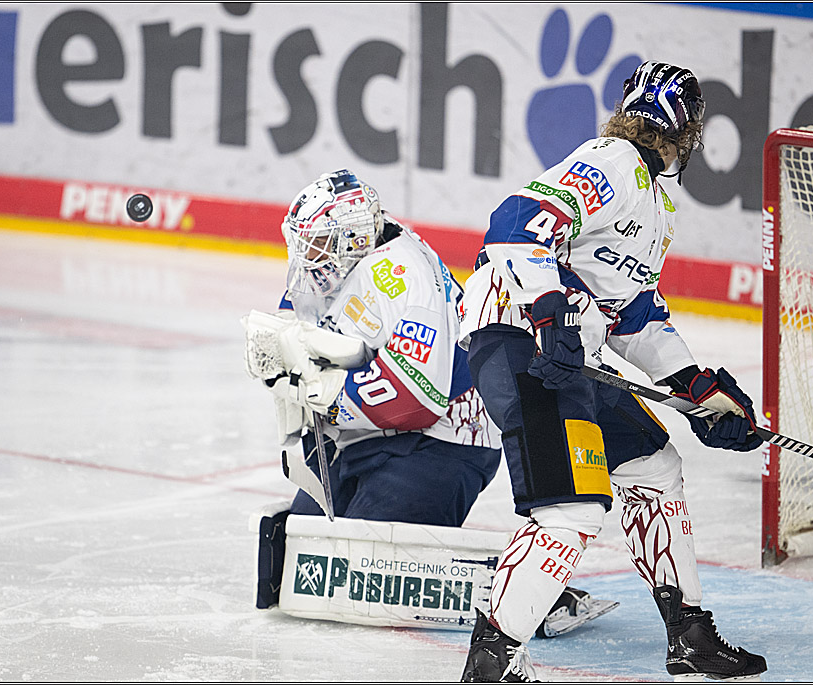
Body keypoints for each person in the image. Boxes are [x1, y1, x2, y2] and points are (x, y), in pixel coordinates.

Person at [456, 61, 769, 682]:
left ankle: (689, 634)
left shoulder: (652, 203)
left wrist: (694, 387)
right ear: (690, 134)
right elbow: (515, 227)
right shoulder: (612, 162)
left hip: (567, 356)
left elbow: (636, 317)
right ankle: (494, 663)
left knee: (655, 467)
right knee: (571, 511)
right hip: (523, 344)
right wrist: (548, 315)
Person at [242, 168, 617, 637]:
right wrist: (283, 356)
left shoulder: (402, 277)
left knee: (358, 574)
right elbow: (304, 317)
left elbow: (417, 401)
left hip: (445, 443)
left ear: (353, 239)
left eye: (317, 245)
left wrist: (329, 398)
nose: (308, 258)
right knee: (303, 561)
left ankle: (538, 591)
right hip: (371, 438)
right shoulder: (343, 260)